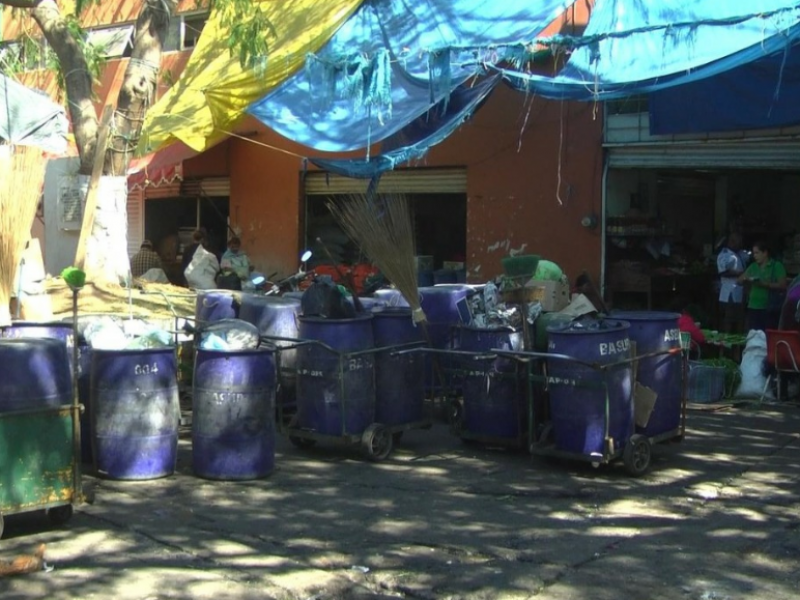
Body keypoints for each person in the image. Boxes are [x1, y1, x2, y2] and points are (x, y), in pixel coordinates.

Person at [739, 241, 787, 331]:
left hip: (769, 308)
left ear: (765, 253)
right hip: (753, 306)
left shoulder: (776, 266)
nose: (755, 256)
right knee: (754, 335)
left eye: (757, 253)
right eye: (754, 253)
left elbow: (783, 285)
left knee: (767, 334)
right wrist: (747, 279)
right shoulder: (753, 266)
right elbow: (739, 280)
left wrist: (764, 284)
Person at [716, 232, 748, 333]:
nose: (741, 244)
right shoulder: (725, 254)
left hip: (739, 293)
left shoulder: (739, 254)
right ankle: (726, 347)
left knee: (739, 321)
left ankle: (736, 347)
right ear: (732, 242)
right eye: (739, 242)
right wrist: (742, 273)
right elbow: (723, 272)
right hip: (729, 294)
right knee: (728, 321)